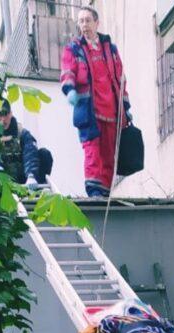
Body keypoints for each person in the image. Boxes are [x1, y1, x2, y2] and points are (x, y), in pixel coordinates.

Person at [61, 5, 131, 198]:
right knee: (92, 153)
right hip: (88, 111)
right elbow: (68, 70)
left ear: (96, 23)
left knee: (108, 156)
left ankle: (105, 193)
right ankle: (94, 193)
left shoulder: (110, 48)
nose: (84, 25)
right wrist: (69, 89)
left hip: (112, 112)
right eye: (81, 21)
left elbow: (120, 79)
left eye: (87, 20)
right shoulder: (74, 49)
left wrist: (126, 106)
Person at [0, 100, 53, 188]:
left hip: (26, 179)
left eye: (5, 114)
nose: (3, 119)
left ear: (11, 114)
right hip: (5, 179)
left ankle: (40, 186)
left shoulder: (23, 133)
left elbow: (30, 153)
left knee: (44, 153)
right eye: (0, 115)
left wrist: (31, 175)